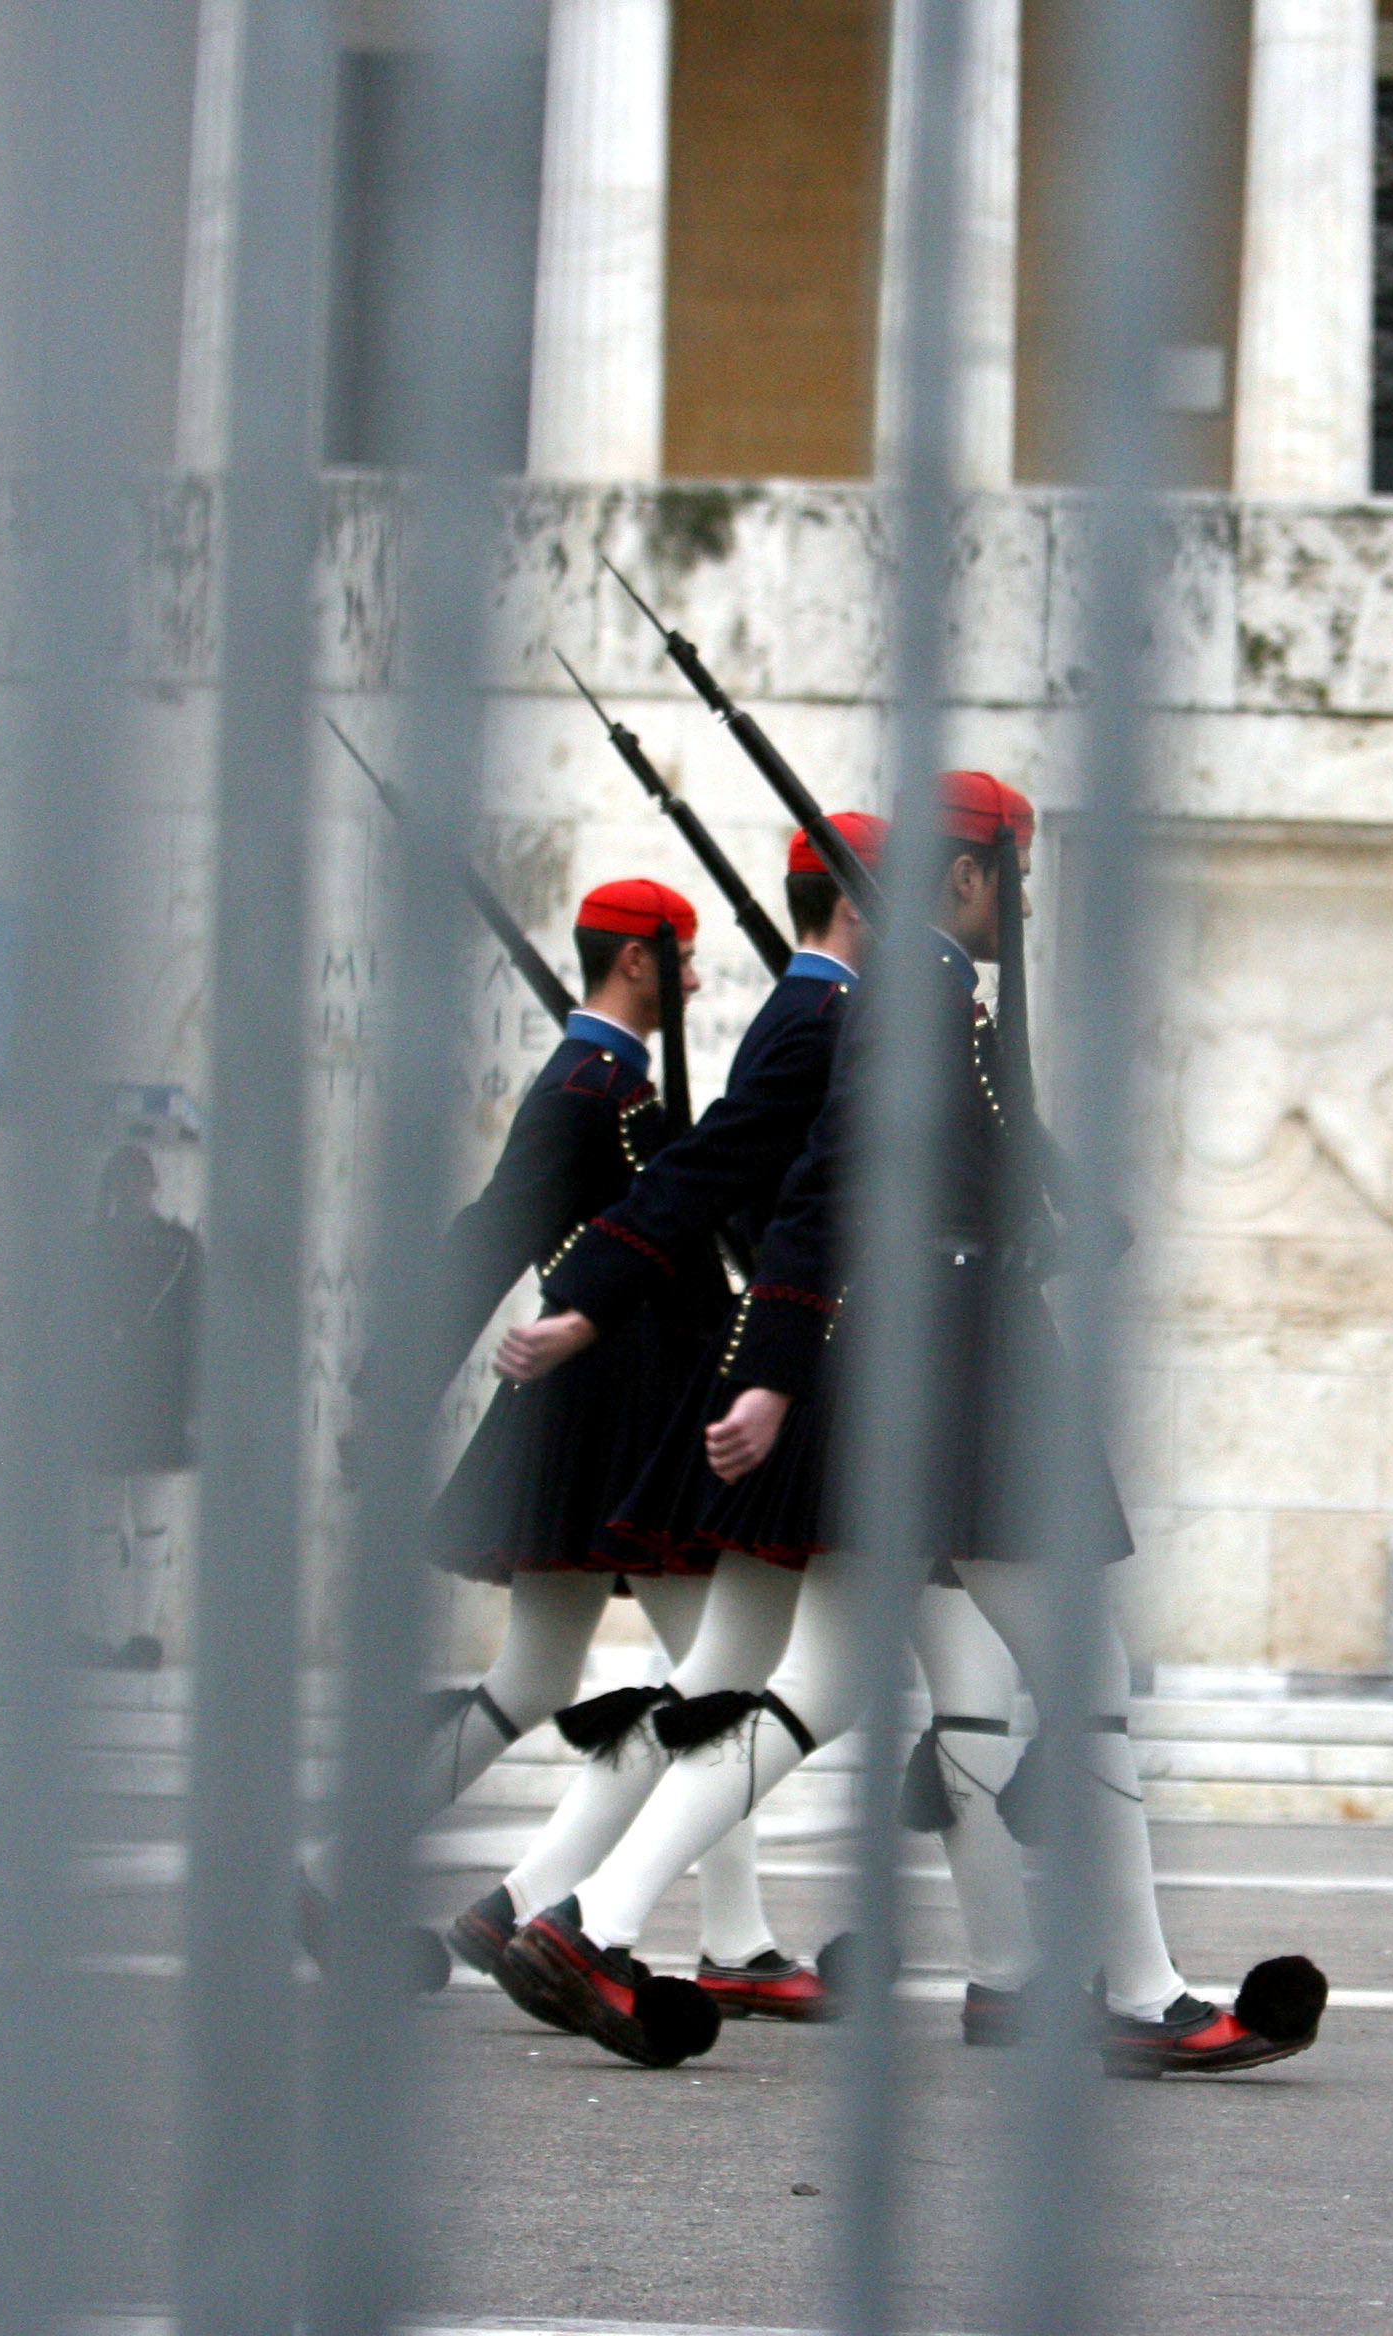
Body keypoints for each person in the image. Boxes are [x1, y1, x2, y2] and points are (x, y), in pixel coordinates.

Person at [494, 773, 1325, 2077]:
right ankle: (1144, 1989)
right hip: (952, 1362)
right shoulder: (908, 1001)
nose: (1028, 902)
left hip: (917, 1346)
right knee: (1085, 1671)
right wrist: (744, 1363)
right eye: (1018, 875)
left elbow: (798, 1161)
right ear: (964, 877)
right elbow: (804, 1184)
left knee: (818, 1679)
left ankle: (590, 1919)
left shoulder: (925, 998)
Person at [468, 815, 1053, 2062]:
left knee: (765, 1679)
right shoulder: (832, 1014)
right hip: (824, 1383)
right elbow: (747, 1185)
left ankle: (562, 1908)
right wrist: (605, 1306)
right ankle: (576, 1913)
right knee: (835, 1682)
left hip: (801, 1372)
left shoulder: (874, 1007)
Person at [306, 878, 802, 2020]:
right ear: (636, 962)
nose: (692, 982)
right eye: (679, 962)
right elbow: (492, 1231)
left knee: (539, 1676)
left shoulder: (615, 1083)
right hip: (619, 1417)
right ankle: (725, 1935)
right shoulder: (584, 1090)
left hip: (607, 1414)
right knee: (718, 1681)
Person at [79, 1145, 200, 1669]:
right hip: (104, 1398)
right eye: (122, 1181)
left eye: (139, 1181)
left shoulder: (180, 1249)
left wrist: (197, 1404)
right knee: (102, 1525)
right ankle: (109, 1638)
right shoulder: (86, 1248)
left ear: (153, 1186)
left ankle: (143, 1637)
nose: (132, 1191)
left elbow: (201, 1332)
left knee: (151, 1524)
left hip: (159, 1399)